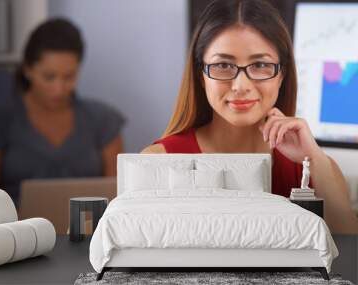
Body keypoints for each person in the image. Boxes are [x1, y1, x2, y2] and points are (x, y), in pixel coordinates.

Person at [141, 0, 358, 233]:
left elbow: (350, 260)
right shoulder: (156, 162)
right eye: (223, 65)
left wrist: (314, 160)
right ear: (200, 74)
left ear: (282, 74)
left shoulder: (315, 166)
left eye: (260, 65)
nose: (240, 85)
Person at [0, 18, 125, 205]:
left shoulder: (104, 120)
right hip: (16, 231)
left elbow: (117, 199)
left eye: (69, 77)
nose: (59, 89)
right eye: (49, 77)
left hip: (88, 232)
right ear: (28, 70)